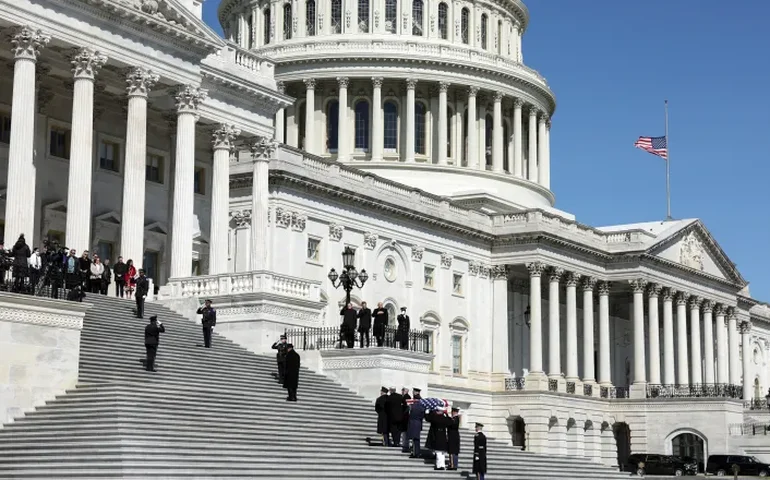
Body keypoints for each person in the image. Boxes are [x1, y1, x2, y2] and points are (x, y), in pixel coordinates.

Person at [406, 388, 424, 458]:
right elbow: (422, 416)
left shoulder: (412, 406)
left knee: (414, 439)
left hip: (412, 423)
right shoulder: (422, 406)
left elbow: (407, 413)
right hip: (418, 423)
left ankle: (415, 453)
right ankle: (417, 452)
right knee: (417, 439)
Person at [400, 387, 412, 453]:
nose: (402, 392)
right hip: (406, 418)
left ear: (406, 391)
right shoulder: (406, 397)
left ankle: (405, 446)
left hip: (405, 418)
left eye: (403, 391)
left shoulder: (406, 397)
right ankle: (405, 445)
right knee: (405, 433)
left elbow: (407, 407)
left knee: (405, 433)